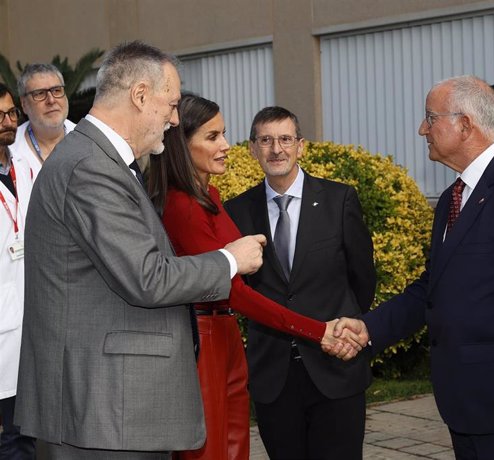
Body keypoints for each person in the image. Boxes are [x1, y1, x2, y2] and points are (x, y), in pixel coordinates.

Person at [13, 41, 272, 459]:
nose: (173, 120)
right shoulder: (90, 167)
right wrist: (230, 259)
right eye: (170, 105)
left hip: (111, 411)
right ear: (139, 96)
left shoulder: (98, 161)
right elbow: (147, 278)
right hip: (102, 413)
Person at [333, 76, 494, 460]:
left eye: (430, 118)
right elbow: (435, 286)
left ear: (465, 125)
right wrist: (369, 328)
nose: (422, 129)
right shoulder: (455, 195)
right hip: (470, 403)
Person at [148, 94, 361, 460]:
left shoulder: (209, 196)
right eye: (213, 137)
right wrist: (319, 330)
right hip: (207, 342)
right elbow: (238, 294)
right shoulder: (182, 205)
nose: (225, 146)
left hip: (226, 339)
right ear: (182, 145)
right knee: (212, 451)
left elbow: (359, 277)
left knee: (231, 450)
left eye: (224, 134)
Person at [224, 106, 376, 459]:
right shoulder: (236, 211)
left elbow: (362, 278)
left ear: (301, 146)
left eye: (285, 139)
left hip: (335, 367)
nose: (276, 149)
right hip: (273, 376)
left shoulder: (339, 200)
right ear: (251, 149)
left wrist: (348, 331)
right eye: (265, 140)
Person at [0, 83, 35, 459]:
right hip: (4, 328)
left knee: (24, 432)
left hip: (31, 319)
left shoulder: (23, 167)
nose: (8, 123)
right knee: (9, 438)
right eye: (0, 116)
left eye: (11, 114)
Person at [12, 64, 76, 174]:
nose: (51, 100)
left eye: (56, 90)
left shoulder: (88, 139)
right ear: (24, 104)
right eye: (40, 93)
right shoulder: (10, 149)